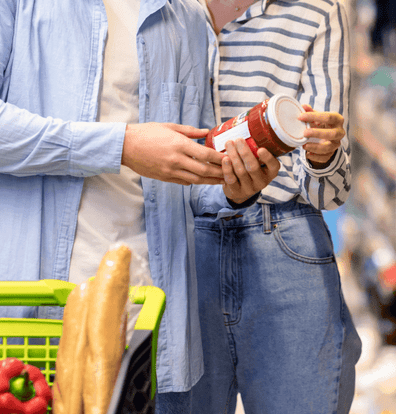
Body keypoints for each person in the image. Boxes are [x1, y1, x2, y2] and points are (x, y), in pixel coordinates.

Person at [0, 0, 281, 401]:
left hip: (145, 318)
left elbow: (190, 179)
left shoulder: (185, 18)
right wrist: (119, 145)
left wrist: (234, 188)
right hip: (29, 312)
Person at [155, 0, 363, 413]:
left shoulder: (317, 11)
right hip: (178, 243)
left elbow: (331, 194)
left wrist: (323, 155)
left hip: (285, 242)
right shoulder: (159, 10)